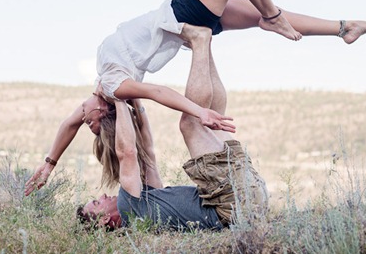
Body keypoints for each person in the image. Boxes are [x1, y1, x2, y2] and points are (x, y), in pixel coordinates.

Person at [23, 0, 366, 196]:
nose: (80, 117)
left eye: (84, 120)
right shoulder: (116, 87)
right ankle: (276, 16)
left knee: (259, 15)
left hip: (185, 21)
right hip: (183, 14)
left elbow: (68, 124)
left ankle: (343, 28)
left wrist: (49, 164)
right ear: (103, 113)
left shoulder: (100, 88)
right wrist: (201, 112)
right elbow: (159, 92)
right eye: (90, 122)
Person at [78, 25, 268, 230]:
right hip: (232, 205)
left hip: (249, 199)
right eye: (97, 203)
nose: (103, 195)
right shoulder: (128, 209)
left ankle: (205, 44)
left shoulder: (144, 205)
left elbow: (148, 149)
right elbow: (127, 152)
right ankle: (200, 42)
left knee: (214, 123)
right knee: (190, 123)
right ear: (104, 219)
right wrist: (117, 97)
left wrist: (135, 100)